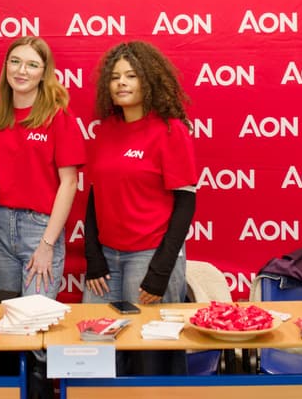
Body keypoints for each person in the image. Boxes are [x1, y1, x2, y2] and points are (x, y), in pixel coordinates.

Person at [82, 41, 198, 375]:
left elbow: (185, 203)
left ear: (149, 80)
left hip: (149, 257)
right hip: (107, 260)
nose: (121, 82)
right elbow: (95, 195)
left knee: (150, 358)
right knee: (94, 353)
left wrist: (160, 271)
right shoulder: (106, 130)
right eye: (115, 76)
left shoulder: (170, 130)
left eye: (131, 75)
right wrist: (93, 256)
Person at [0, 36, 86, 300]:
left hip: (40, 229)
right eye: (15, 61)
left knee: (36, 315)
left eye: (32, 64)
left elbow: (69, 183)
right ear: (6, 67)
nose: (21, 70)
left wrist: (47, 244)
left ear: (44, 73)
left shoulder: (58, 117)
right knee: (7, 312)